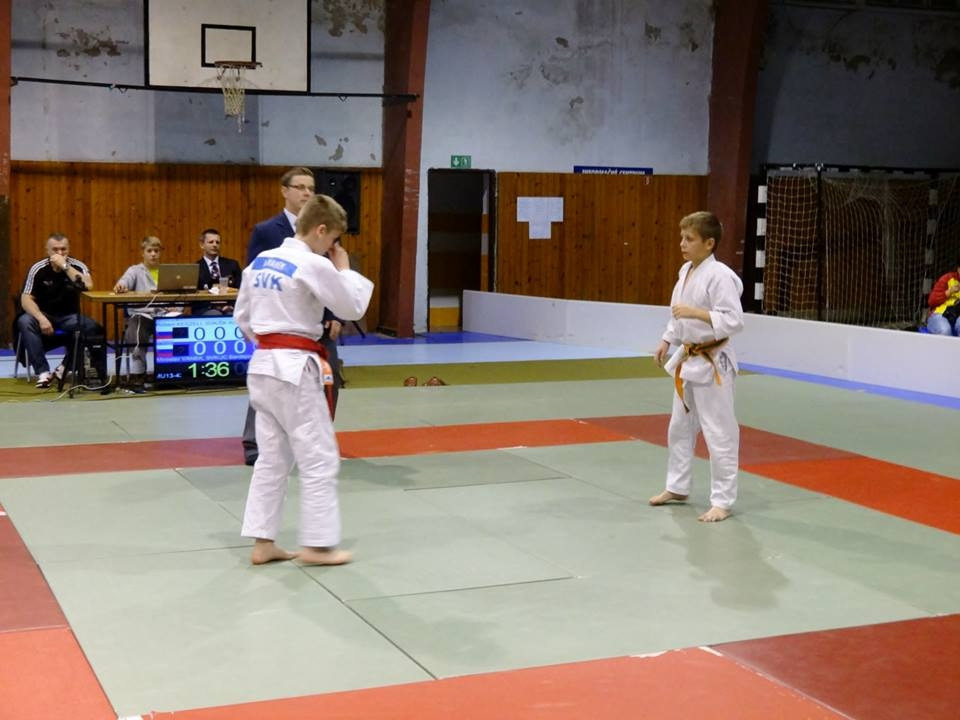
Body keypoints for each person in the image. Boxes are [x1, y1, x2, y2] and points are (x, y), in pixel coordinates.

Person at [234, 194, 373, 566]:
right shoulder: (312, 262)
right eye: (332, 240)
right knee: (319, 456)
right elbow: (352, 307)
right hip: (294, 368)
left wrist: (271, 341)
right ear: (321, 229)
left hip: (263, 365)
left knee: (272, 459)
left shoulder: (260, 262)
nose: (332, 248)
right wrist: (344, 269)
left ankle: (263, 542)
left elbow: (242, 318)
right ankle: (317, 545)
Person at [241, 167, 347, 465]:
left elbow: (329, 277)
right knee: (270, 382)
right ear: (284, 191)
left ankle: (315, 442)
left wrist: (335, 314)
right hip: (280, 323)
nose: (306, 193)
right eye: (300, 187)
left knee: (331, 378)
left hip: (317, 320)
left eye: (310, 188)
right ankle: (254, 444)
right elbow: (255, 276)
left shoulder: (324, 229)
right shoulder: (267, 231)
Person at [648, 211, 744, 523]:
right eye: (682, 238)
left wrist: (697, 313)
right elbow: (677, 313)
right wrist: (667, 339)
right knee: (679, 428)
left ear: (709, 243)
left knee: (719, 432)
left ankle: (723, 501)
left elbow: (734, 320)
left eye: (689, 239)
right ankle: (677, 487)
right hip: (688, 359)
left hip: (714, 362)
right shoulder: (686, 271)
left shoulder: (720, 276)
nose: (682, 244)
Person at [18, 233, 107, 388]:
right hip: (44, 314)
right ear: (47, 251)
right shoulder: (37, 269)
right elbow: (25, 299)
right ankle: (43, 372)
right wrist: (41, 319)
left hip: (69, 317)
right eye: (55, 250)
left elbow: (88, 285)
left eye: (63, 249)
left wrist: (65, 266)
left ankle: (64, 368)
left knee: (93, 327)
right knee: (24, 321)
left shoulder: (77, 266)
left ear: (69, 249)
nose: (60, 253)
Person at [113, 236, 167, 391]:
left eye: (156, 251)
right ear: (143, 253)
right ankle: (138, 375)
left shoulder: (168, 271)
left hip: (164, 315)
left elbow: (179, 294)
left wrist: (177, 309)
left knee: (180, 323)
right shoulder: (135, 271)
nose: (153, 254)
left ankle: (170, 373)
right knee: (136, 326)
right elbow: (124, 281)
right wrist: (121, 285)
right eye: (149, 251)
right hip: (142, 314)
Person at [194, 228, 243, 315]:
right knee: (215, 314)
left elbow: (241, 288)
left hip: (230, 307)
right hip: (206, 308)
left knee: (231, 314)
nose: (215, 245)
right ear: (202, 245)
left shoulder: (232, 265)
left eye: (217, 242)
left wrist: (230, 306)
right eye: (211, 242)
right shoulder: (195, 268)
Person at [926, 257, 960, 336]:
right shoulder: (947, 278)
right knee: (944, 330)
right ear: (958, 269)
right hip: (940, 313)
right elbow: (931, 301)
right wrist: (949, 292)